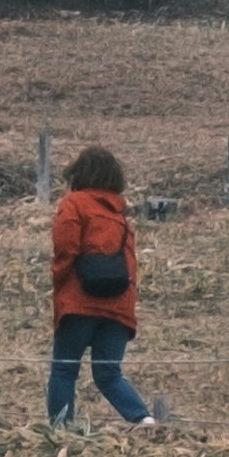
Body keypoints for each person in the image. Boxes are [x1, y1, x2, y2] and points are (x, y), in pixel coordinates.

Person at [47, 141, 159, 431]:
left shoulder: (74, 204)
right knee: (109, 373)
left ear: (79, 174)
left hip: (79, 303)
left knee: (64, 369)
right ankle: (144, 420)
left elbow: (65, 249)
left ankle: (60, 431)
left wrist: (59, 283)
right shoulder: (120, 215)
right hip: (118, 307)